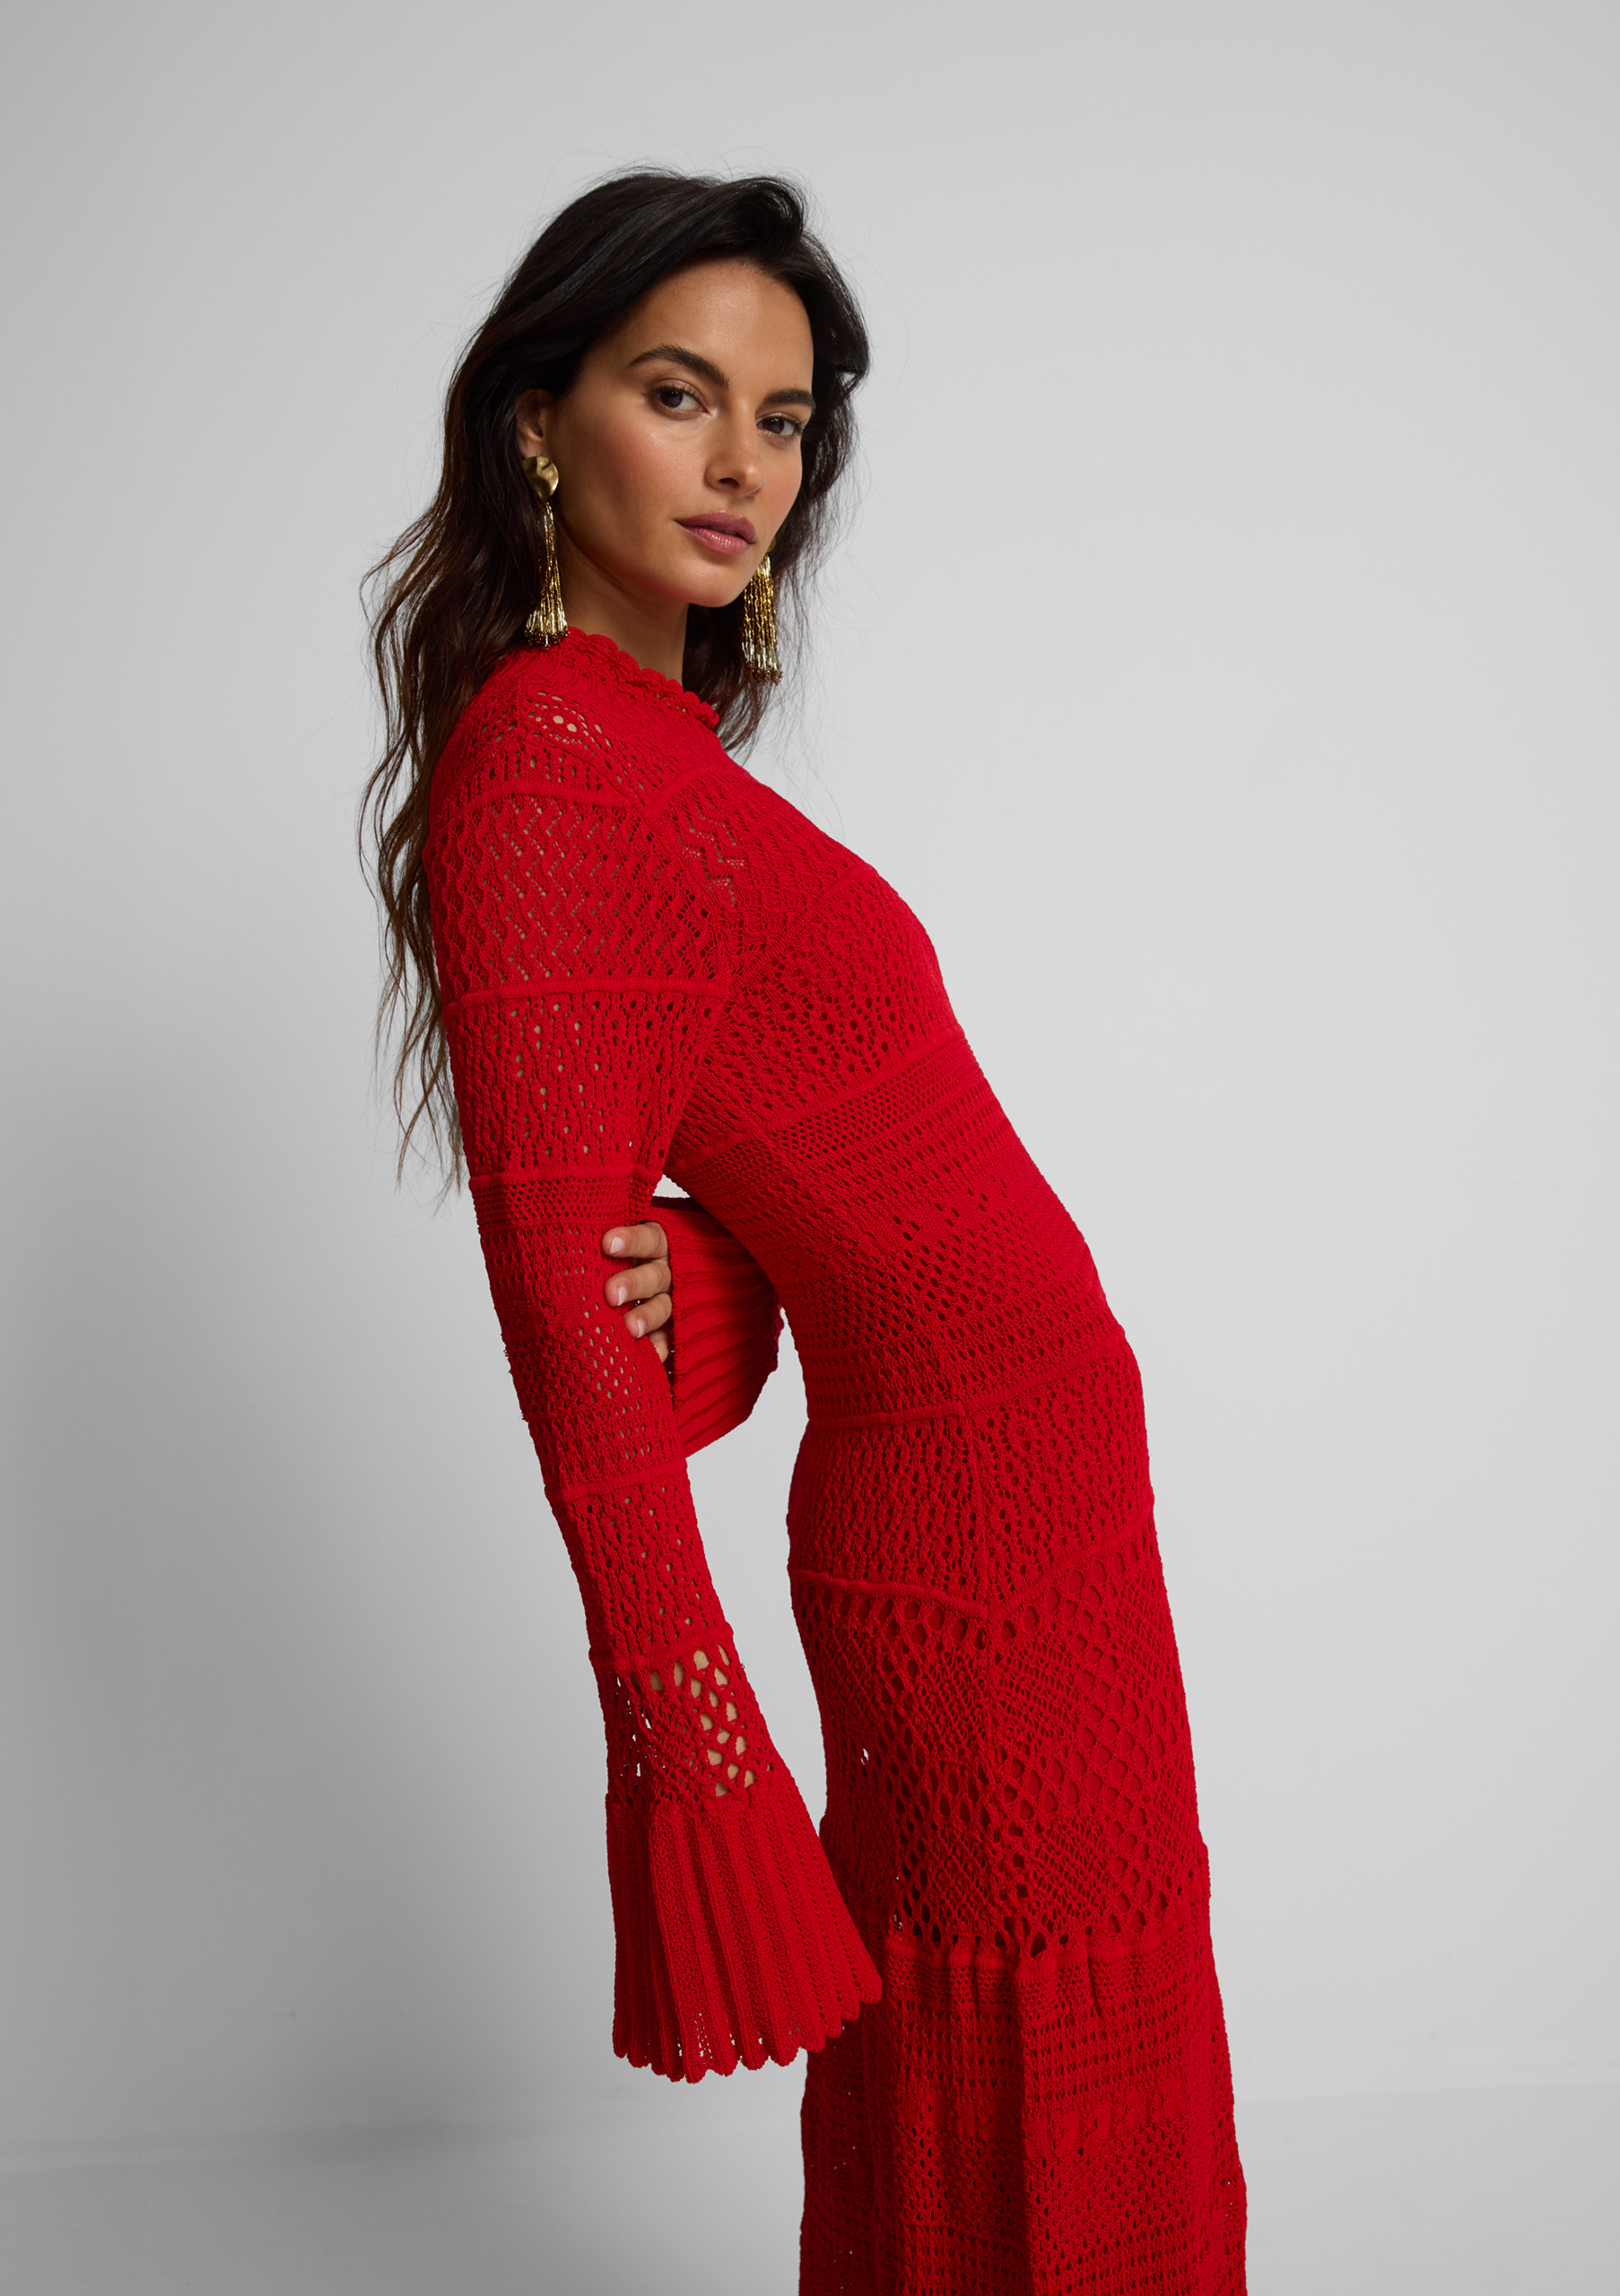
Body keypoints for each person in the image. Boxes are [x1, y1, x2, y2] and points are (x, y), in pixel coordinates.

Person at [362, 170, 1247, 2296]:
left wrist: (750, 1275)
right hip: (962, 1538)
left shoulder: (651, 754)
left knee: (1073, 2028)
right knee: (1006, 2054)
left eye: (783, 417)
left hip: (1045, 1505)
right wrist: (686, 1720)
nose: (746, 463)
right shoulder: (547, 780)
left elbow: (795, 1161)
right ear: (538, 424)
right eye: (682, 394)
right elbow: (564, 1312)